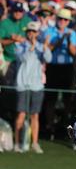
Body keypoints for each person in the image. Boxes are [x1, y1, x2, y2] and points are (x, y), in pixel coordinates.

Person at [14, 21, 52, 153]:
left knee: (35, 115)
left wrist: (45, 47)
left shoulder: (41, 47)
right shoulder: (20, 45)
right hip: (22, 84)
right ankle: (17, 143)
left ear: (37, 33)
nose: (31, 34)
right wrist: (31, 47)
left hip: (36, 85)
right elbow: (21, 58)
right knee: (21, 114)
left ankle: (35, 143)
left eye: (33, 32)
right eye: (29, 32)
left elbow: (48, 58)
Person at [43, 9, 76, 139]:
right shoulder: (49, 31)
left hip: (67, 68)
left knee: (67, 100)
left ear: (68, 21)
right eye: (61, 19)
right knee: (50, 99)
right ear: (57, 19)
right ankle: (50, 127)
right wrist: (59, 40)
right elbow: (47, 50)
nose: (63, 22)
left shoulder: (72, 33)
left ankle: (64, 127)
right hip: (53, 67)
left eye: (66, 20)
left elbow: (74, 52)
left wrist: (68, 41)